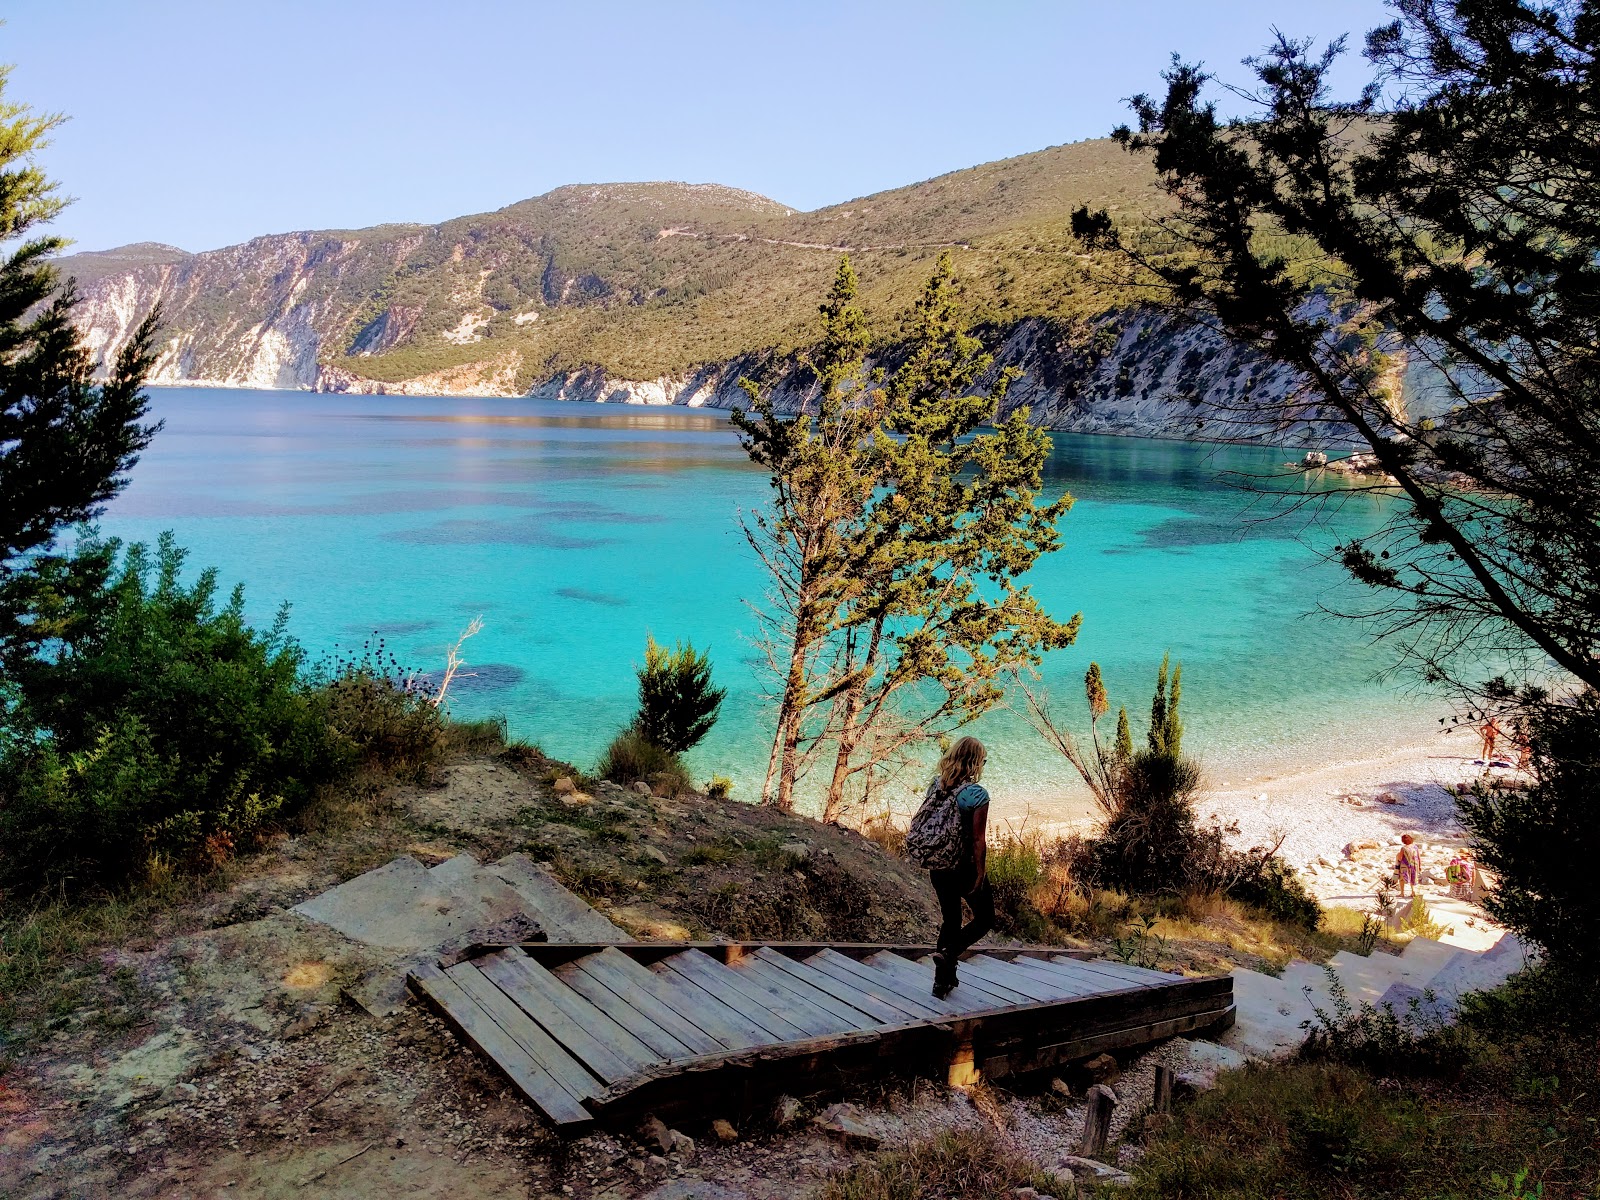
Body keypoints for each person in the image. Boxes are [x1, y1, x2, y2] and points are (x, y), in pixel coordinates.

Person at [924, 736, 994, 999]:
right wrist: (980, 871)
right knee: (985, 918)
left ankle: (942, 982)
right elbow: (978, 839)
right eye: (983, 760)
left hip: (938, 865)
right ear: (975, 762)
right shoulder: (976, 794)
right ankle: (949, 954)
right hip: (962, 867)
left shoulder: (936, 785)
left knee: (951, 920)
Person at [1395, 834, 1422, 898]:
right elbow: (1419, 857)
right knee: (1413, 878)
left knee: (1401, 879)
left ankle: (1402, 893)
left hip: (1405, 866)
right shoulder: (1415, 847)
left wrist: (1398, 855)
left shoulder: (1403, 848)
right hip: (1414, 866)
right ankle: (1413, 892)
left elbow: (1400, 858)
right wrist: (1420, 866)